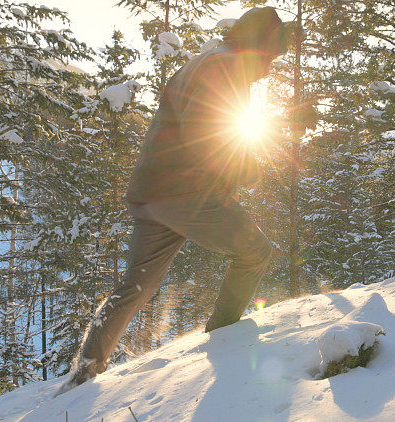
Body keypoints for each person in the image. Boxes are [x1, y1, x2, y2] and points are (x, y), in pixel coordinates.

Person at [57, 7, 289, 394]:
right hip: (185, 191)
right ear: (258, 46)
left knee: (135, 285)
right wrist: (244, 168)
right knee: (255, 253)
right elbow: (207, 128)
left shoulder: (211, 60)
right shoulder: (227, 66)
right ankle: (224, 337)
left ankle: (85, 371)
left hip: (151, 191)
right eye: (270, 58)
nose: (269, 68)